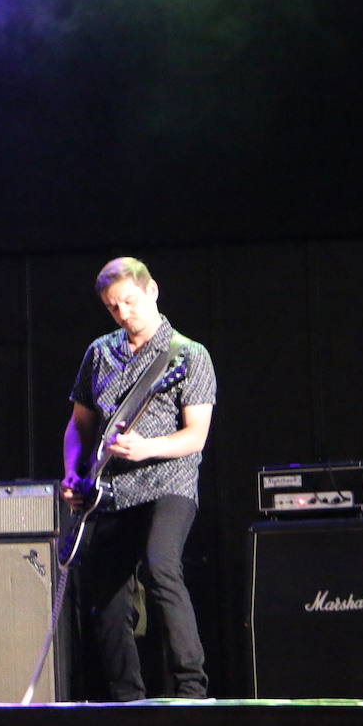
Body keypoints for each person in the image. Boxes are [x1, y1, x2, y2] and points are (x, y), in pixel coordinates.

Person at [62, 256, 216, 700]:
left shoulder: (189, 355)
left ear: (152, 291)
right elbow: (79, 424)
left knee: (160, 565)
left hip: (169, 483)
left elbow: (196, 436)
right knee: (104, 591)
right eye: (113, 307)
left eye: (129, 301)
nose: (123, 313)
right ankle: (126, 696)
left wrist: (147, 447)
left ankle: (191, 687)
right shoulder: (99, 352)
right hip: (112, 491)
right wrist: (73, 472)